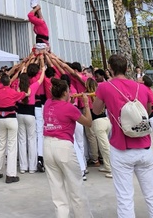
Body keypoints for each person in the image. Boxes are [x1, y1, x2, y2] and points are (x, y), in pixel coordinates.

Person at [92, 54, 153, 218]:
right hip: (144, 146)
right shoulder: (142, 87)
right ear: (127, 68)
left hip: (121, 148)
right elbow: (147, 111)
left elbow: (96, 110)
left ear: (110, 69)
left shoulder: (104, 87)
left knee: (125, 198)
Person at [43, 78, 93, 218]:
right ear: (65, 92)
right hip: (63, 146)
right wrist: (86, 105)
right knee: (76, 187)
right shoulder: (70, 108)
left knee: (57, 190)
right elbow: (88, 123)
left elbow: (60, 110)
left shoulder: (47, 104)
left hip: (47, 145)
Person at [0, 74, 29, 184]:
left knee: (1, 145)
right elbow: (25, 94)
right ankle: (11, 174)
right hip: (11, 119)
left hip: (1, 119)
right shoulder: (13, 92)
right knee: (12, 146)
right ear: (9, 82)